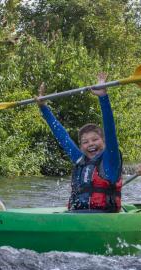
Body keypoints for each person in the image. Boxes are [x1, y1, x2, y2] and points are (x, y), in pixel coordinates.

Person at [36, 73, 122, 213]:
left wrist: (103, 97)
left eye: (95, 139)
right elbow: (62, 136)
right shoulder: (80, 159)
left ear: (104, 141)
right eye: (85, 142)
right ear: (81, 146)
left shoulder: (110, 160)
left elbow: (110, 129)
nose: (91, 144)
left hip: (103, 217)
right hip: (76, 215)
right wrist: (43, 108)